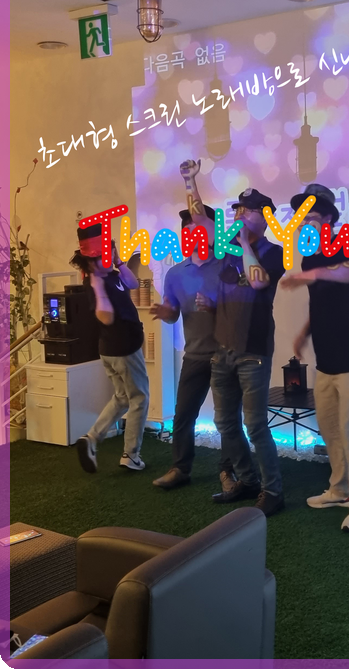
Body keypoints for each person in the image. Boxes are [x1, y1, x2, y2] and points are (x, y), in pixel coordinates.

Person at [185, 160, 285, 517]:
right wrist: (190, 181)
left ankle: (274, 491)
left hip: (253, 351)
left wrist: (243, 243)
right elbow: (200, 220)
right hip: (221, 350)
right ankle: (247, 480)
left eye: (247, 210)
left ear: (265, 217)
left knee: (254, 425)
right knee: (224, 423)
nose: (239, 214)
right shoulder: (226, 248)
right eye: (238, 209)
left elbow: (257, 282)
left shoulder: (274, 252)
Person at [281, 184, 349, 532]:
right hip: (326, 359)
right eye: (301, 217)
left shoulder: (345, 243)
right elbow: (322, 301)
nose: (303, 223)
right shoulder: (310, 257)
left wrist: (315, 273)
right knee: (330, 428)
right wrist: (304, 332)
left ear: (328, 220)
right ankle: (340, 490)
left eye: (310, 216)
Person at [150, 177, 237, 493]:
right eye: (187, 231)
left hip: (226, 355)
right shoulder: (176, 273)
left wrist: (215, 306)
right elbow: (173, 312)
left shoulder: (228, 265)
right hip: (194, 355)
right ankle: (180, 468)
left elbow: (240, 310)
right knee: (183, 415)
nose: (192, 235)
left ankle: (229, 472)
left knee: (226, 419)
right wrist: (165, 312)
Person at [71, 223, 149, 473]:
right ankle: (131, 455)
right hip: (123, 349)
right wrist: (97, 288)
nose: (109, 257)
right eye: (105, 255)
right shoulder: (95, 284)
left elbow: (133, 284)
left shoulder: (111, 275)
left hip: (115, 349)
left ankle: (91, 438)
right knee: (139, 398)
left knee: (122, 397)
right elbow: (105, 317)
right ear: (91, 261)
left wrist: (119, 262)